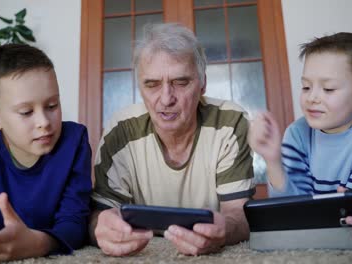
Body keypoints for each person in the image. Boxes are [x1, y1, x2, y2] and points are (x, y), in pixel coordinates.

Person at [89, 23, 254, 256]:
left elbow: (240, 214)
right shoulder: (120, 131)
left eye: (181, 82)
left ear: (203, 83)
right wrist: (102, 228)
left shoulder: (230, 123)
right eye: (152, 84)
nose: (166, 99)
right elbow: (99, 215)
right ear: (140, 87)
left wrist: (225, 230)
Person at [0, 44, 92, 263]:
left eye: (52, 105)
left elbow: (74, 221)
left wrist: (39, 243)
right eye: (26, 112)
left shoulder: (75, 140)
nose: (44, 122)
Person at [249, 32, 352, 244]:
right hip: (318, 200)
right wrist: (273, 161)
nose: (312, 97)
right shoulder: (297, 134)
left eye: (328, 88)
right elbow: (293, 207)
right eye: (306, 86)